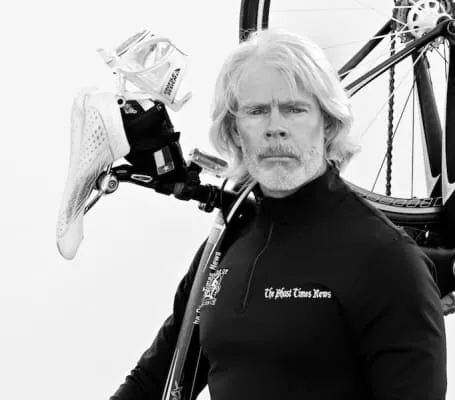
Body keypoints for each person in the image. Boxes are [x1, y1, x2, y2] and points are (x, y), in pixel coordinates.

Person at [56, 29, 450, 399]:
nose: (275, 128)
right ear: (233, 131)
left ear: (328, 125)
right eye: (257, 111)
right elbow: (151, 384)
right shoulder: (225, 243)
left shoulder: (386, 259)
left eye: (295, 109)